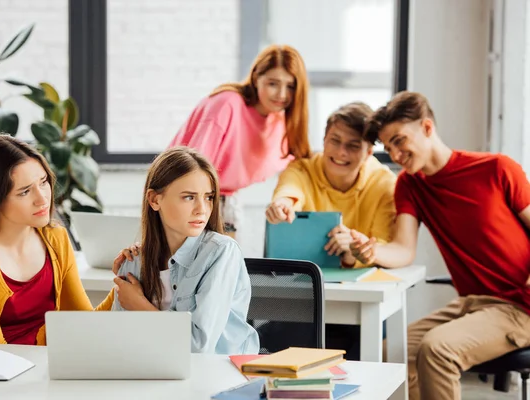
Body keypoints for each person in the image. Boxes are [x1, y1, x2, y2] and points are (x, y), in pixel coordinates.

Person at [349, 91, 530, 400]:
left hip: (520, 307)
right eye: (388, 146)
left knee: (437, 349)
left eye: (399, 140)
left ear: (427, 128)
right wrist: (372, 250)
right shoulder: (410, 184)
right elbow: (404, 249)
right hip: (473, 303)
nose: (395, 154)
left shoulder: (497, 169)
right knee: (390, 351)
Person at [0, 135, 108, 346]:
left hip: (39, 367)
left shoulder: (55, 237)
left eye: (43, 182)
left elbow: (82, 321)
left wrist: (125, 283)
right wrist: (53, 340)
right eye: (24, 192)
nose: (42, 198)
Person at [263, 102, 397, 358]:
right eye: (334, 141)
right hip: (300, 299)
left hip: (358, 303)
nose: (340, 152)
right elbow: (290, 192)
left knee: (359, 357)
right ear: (323, 140)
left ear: (369, 152)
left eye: (353, 145)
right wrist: (282, 205)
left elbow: (382, 244)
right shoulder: (302, 168)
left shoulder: (385, 184)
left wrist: (353, 253)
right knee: (268, 342)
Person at [103, 146, 259, 355]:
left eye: (208, 197)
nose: (202, 209)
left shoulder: (221, 253)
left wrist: (141, 307)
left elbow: (198, 346)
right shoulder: (133, 259)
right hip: (151, 373)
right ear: (154, 200)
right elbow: (117, 342)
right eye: (188, 197)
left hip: (216, 376)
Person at [169, 44, 311, 238]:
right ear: (256, 79)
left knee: (225, 266)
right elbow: (191, 168)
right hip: (189, 197)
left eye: (290, 86)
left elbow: (298, 164)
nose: (282, 94)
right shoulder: (227, 103)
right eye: (272, 84)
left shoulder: (280, 120)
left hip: (226, 201)